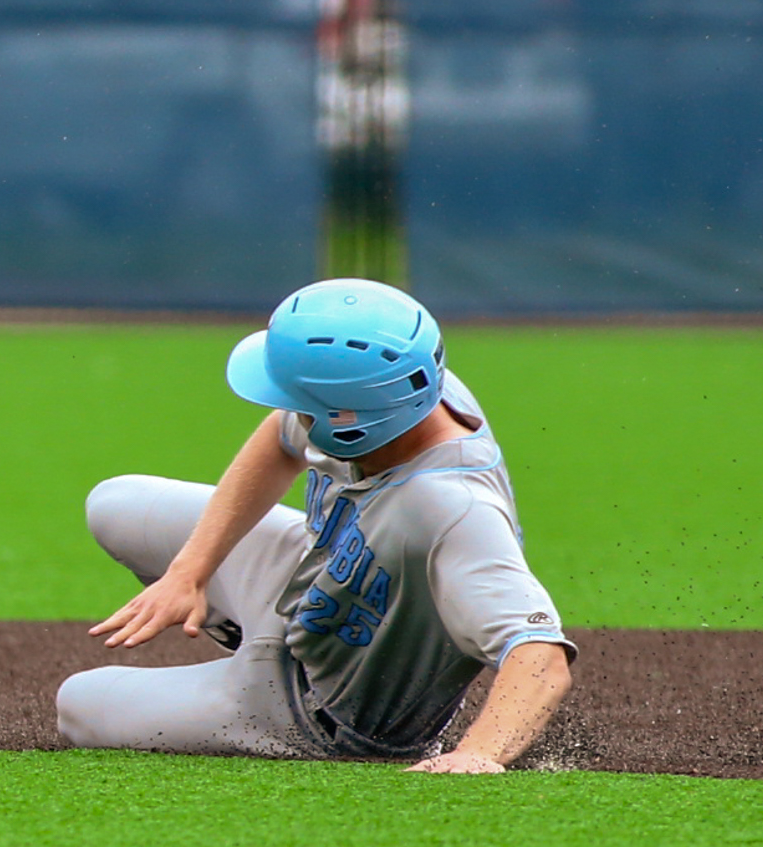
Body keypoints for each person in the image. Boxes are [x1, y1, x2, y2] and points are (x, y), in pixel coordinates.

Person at [56, 278, 572, 771]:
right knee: (114, 503)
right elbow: (280, 439)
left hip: (314, 710)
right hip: (305, 579)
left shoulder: (453, 509)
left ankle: (251, 674)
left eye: (303, 407)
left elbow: (541, 658)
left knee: (76, 703)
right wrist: (188, 572)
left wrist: (478, 754)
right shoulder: (401, 396)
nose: (289, 411)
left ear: (348, 425)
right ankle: (241, 629)